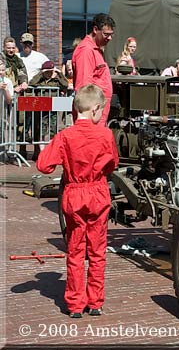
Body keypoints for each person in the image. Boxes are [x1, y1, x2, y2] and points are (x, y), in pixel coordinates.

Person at [36, 84, 119, 318]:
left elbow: (43, 165)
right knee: (97, 250)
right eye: (101, 110)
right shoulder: (105, 134)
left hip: (74, 193)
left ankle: (74, 304)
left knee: (75, 250)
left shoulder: (65, 136)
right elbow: (113, 163)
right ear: (94, 109)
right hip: (97, 192)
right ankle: (95, 302)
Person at [72, 13, 115, 126]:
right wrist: (87, 123)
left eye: (111, 35)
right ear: (96, 29)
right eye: (106, 34)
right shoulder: (86, 50)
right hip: (91, 117)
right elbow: (83, 88)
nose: (109, 38)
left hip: (97, 114)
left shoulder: (96, 50)